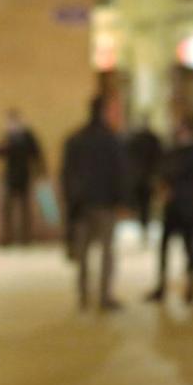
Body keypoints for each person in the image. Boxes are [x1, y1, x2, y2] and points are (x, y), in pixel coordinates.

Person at [61, 92, 129, 312]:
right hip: (105, 204)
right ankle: (104, 296)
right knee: (107, 251)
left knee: (83, 252)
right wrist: (121, 200)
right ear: (103, 111)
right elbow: (119, 172)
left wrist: (70, 199)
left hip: (81, 204)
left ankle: (83, 296)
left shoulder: (75, 139)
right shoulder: (111, 139)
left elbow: (66, 173)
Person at [146, 112, 193, 305]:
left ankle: (190, 288)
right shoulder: (173, 150)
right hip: (172, 208)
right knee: (164, 248)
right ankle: (162, 286)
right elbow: (162, 171)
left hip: (190, 207)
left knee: (190, 249)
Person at [0, 108, 45, 246]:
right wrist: (4, 145)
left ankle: (25, 238)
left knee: (24, 209)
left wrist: (40, 171)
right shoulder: (8, 136)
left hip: (23, 176)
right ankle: (7, 238)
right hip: (10, 177)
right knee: (8, 209)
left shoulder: (27, 136)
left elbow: (37, 154)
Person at [126, 118, 163, 240]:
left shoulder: (136, 140)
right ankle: (144, 225)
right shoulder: (150, 139)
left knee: (144, 204)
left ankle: (144, 225)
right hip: (146, 176)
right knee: (145, 204)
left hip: (141, 176)